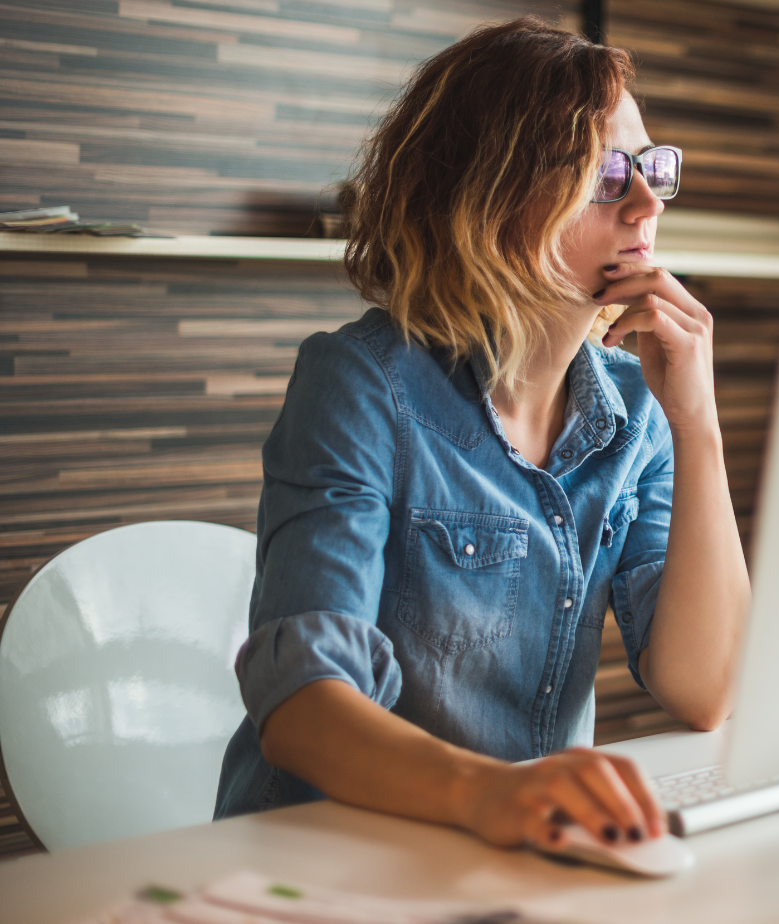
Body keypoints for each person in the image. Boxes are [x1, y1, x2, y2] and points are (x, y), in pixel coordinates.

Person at [214, 17, 750, 853]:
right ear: (490, 194)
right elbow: (301, 704)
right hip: (330, 857)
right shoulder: (359, 385)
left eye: (653, 169)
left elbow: (705, 689)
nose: (648, 203)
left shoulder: (639, 410)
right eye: (607, 174)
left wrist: (698, 424)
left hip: (519, 850)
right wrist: (493, 794)